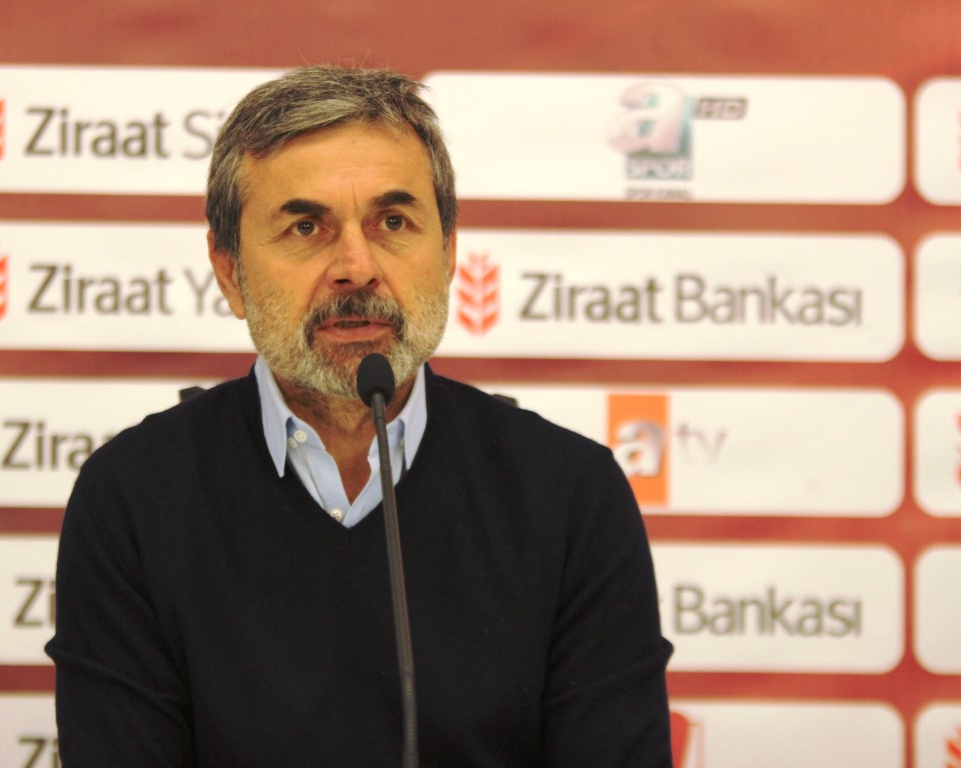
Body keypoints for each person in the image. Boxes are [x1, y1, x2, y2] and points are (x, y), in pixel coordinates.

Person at [47, 64, 673, 767]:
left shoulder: (569, 495)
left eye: (393, 223)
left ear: (448, 252)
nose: (356, 266)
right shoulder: (134, 497)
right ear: (229, 272)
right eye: (306, 227)